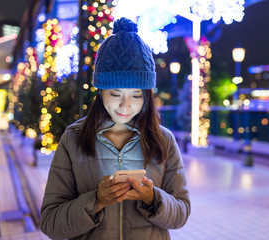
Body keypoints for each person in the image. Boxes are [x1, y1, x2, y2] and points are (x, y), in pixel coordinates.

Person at [40, 18, 190, 240]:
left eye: (136, 95)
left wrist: (152, 199)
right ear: (100, 92)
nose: (125, 106)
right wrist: (97, 200)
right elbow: (50, 223)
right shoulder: (74, 138)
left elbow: (181, 213)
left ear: (147, 96)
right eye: (116, 94)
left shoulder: (163, 139)